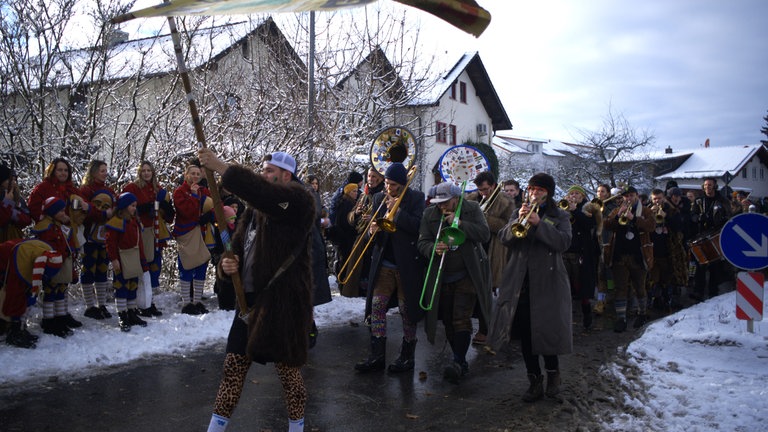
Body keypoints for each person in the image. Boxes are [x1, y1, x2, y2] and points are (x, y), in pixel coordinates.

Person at [197, 148, 315, 432]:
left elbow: (266, 195)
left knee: (289, 375)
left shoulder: (298, 201)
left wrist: (223, 168)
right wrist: (227, 266)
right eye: (262, 170)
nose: (263, 175)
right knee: (232, 370)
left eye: (269, 171)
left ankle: (296, 428)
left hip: (282, 304)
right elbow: (234, 249)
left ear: (286, 175)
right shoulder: (252, 213)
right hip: (246, 303)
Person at [487, 173, 572, 402]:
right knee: (526, 335)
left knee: (546, 332)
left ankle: (553, 373)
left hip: (547, 282)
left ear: (548, 193)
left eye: (540, 190)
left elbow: (563, 242)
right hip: (520, 281)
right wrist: (518, 220)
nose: (534, 193)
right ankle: (534, 380)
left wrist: (539, 224)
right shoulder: (519, 211)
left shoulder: (559, 215)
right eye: (532, 189)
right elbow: (505, 238)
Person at [354, 162, 425, 373]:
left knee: (406, 311)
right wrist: (372, 231)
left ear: (402, 184)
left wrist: (398, 212)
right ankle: (377, 355)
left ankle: (407, 356)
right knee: (377, 307)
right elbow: (373, 230)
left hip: (406, 264)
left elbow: (418, 226)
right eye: (386, 183)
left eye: (393, 185)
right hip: (384, 263)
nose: (388, 188)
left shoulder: (416, 198)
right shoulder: (379, 199)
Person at [418, 181, 490, 382]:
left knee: (461, 317)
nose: (441, 207)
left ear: (456, 199)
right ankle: (460, 360)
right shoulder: (429, 214)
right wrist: (432, 248)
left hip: (467, 271)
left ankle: (458, 361)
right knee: (448, 319)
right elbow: (422, 241)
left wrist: (460, 224)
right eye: (438, 203)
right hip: (443, 273)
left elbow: (484, 234)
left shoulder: (472, 208)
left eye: (445, 202)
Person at [123, 161, 174, 317]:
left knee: (152, 267)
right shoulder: (132, 188)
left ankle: (148, 301)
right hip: (139, 230)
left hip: (155, 231)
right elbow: (125, 208)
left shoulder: (158, 190)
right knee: (142, 265)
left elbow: (169, 216)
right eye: (143, 170)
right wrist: (145, 208)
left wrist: (166, 208)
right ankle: (139, 303)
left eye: (149, 170)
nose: (146, 173)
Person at [468, 171, 513, 345]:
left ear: (494, 185)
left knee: (487, 291)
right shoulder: (472, 198)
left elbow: (506, 226)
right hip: (475, 248)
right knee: (474, 290)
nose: (483, 193)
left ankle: (485, 329)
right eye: (480, 190)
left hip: (493, 249)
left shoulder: (506, 201)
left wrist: (484, 218)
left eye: (486, 189)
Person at [603, 186, 655, 332]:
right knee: (621, 288)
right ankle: (621, 318)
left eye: (631, 196)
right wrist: (616, 216)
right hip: (620, 256)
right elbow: (607, 225)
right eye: (626, 196)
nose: (629, 199)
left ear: (637, 196)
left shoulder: (645, 210)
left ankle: (642, 313)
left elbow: (651, 226)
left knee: (639, 286)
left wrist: (635, 219)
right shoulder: (618, 209)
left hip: (639, 256)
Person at [30, 197, 79, 338]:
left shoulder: (61, 224)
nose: (64, 213)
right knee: (51, 291)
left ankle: (61, 316)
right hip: (53, 263)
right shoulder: (46, 227)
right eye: (61, 211)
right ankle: (49, 320)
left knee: (62, 290)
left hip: (64, 262)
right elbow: (47, 246)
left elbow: (69, 240)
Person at [0, 239, 63, 348]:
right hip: (5, 265)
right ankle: (14, 331)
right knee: (15, 297)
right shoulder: (22, 261)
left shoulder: (41, 255)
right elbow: (15, 294)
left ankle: (20, 328)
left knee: (24, 296)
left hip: (11, 263)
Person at [173, 161, 213, 315]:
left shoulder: (205, 191)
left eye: (198, 174)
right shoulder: (180, 192)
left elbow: (216, 206)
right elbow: (186, 211)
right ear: (186, 175)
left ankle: (197, 301)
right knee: (187, 265)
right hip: (186, 233)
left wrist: (209, 215)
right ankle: (186, 302)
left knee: (202, 265)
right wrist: (195, 196)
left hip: (202, 233)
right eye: (193, 174)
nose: (196, 176)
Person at [105, 192, 149, 332]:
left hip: (134, 256)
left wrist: (142, 260)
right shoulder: (115, 223)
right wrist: (114, 259)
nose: (134, 208)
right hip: (122, 257)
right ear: (124, 206)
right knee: (122, 287)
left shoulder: (134, 222)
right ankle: (122, 314)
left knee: (132, 285)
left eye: (135, 206)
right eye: (132, 206)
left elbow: (140, 242)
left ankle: (131, 312)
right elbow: (110, 243)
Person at [79, 160, 117, 320]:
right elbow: (84, 211)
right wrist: (102, 214)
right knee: (88, 268)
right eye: (102, 170)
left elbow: (116, 207)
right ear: (94, 172)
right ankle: (90, 305)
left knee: (102, 268)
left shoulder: (109, 190)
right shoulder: (85, 190)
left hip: (105, 236)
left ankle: (102, 304)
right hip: (89, 236)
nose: (105, 173)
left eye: (106, 170)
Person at [340, 166, 385, 298]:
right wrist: (356, 213)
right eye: (369, 176)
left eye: (374, 177)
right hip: (361, 240)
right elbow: (349, 218)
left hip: (376, 240)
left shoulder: (384, 195)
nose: (370, 179)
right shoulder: (364, 195)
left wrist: (373, 219)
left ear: (381, 179)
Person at [562, 185, 600, 330]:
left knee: (581, 286)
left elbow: (589, 224)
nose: (574, 195)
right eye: (571, 193)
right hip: (565, 252)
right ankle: (565, 318)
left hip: (581, 253)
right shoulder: (563, 207)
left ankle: (586, 313)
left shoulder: (588, 209)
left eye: (577, 193)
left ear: (583, 196)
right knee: (566, 286)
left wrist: (575, 210)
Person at [690, 177, 732, 301]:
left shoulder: (722, 200)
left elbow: (728, 216)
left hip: (716, 234)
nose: (707, 187)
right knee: (700, 266)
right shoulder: (698, 201)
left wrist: (720, 221)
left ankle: (713, 292)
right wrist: (698, 218)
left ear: (715, 186)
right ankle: (699, 292)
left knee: (715, 266)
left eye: (710, 185)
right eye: (706, 185)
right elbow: (692, 216)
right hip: (701, 235)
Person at [647, 189, 686, 312]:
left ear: (663, 198)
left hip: (668, 250)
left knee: (667, 278)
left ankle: (666, 300)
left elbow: (679, 227)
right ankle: (655, 301)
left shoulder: (672, 210)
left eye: (659, 198)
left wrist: (667, 217)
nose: (657, 201)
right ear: (651, 200)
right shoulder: (647, 210)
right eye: (654, 199)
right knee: (654, 279)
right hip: (653, 250)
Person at [0, 164, 32, 242]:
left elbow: (27, 220)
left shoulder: (18, 198)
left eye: (15, 180)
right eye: (10, 180)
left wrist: (13, 213)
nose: (13, 183)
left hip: (14, 238)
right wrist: (7, 203)